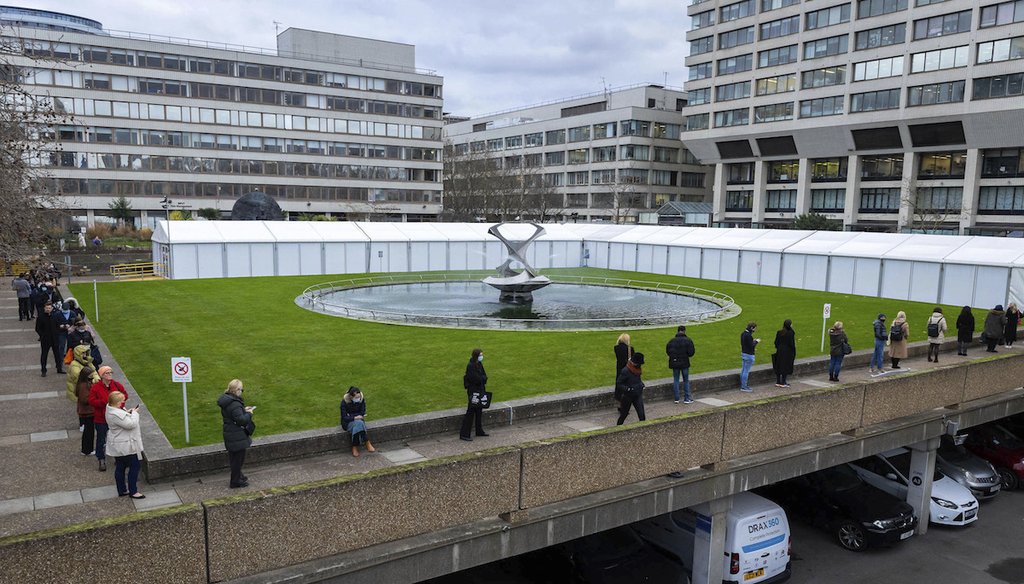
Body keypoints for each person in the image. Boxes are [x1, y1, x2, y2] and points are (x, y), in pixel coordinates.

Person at [105, 391, 145, 499]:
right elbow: (130, 424)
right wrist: (135, 413)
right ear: (117, 403)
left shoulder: (112, 409)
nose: (124, 402)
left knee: (120, 466)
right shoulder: (114, 414)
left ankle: (122, 489)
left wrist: (129, 412)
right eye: (122, 401)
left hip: (120, 444)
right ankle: (133, 491)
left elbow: (124, 418)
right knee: (134, 466)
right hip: (125, 445)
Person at [88, 366, 127, 472]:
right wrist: (104, 403)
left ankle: (117, 457)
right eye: (107, 373)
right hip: (101, 419)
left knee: (116, 438)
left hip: (115, 418)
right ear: (101, 375)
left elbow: (125, 395)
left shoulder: (116, 385)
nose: (110, 374)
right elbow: (91, 401)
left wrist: (118, 404)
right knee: (101, 439)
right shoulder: (96, 387)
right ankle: (101, 459)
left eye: (110, 372)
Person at [218, 379, 255, 488]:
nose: (242, 391)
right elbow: (241, 420)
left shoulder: (227, 401)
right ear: (237, 390)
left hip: (230, 433)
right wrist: (249, 413)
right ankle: (235, 481)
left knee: (234, 458)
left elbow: (234, 415)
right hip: (236, 435)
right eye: (241, 389)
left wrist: (243, 410)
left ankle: (239, 476)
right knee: (238, 459)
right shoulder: (234, 404)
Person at [460, 348, 489, 441]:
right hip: (473, 391)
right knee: (471, 412)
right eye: (480, 355)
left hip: (479, 390)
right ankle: (464, 434)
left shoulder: (478, 364)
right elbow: (477, 379)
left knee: (479, 411)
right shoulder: (471, 366)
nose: (482, 356)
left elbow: (484, 376)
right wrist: (482, 379)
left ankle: (479, 430)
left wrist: (482, 379)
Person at [340, 386, 375, 457]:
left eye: (358, 397)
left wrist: (351, 415)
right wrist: (355, 417)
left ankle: (354, 446)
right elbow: (345, 417)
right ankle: (367, 442)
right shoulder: (344, 402)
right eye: (356, 398)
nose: (358, 399)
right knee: (359, 423)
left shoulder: (361, 400)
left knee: (358, 424)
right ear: (351, 397)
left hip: (359, 420)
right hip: (348, 423)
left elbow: (362, 412)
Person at [665, 325, 696, 404]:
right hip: (684, 362)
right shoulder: (688, 340)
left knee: (676, 380)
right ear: (684, 331)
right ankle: (686, 398)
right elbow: (691, 353)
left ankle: (676, 398)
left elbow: (668, 351)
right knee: (686, 380)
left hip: (675, 363)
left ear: (678, 331)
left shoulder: (671, 341)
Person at [615, 352, 646, 425]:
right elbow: (619, 383)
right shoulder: (625, 371)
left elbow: (637, 379)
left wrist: (641, 384)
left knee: (642, 415)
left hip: (637, 394)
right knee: (624, 414)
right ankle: (618, 428)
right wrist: (627, 389)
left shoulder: (637, 369)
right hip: (628, 396)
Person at [34, 300, 63, 377]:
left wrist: (57, 333)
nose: (48, 309)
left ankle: (59, 368)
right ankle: (43, 370)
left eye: (49, 308)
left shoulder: (55, 316)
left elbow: (58, 325)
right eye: (47, 308)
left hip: (54, 338)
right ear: (44, 308)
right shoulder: (41, 316)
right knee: (44, 355)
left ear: (52, 308)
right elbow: (37, 328)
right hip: (45, 339)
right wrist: (42, 335)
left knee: (57, 354)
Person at [75, 366, 96, 456]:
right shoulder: (84, 385)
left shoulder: (84, 384)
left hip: (87, 411)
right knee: (89, 431)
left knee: (89, 431)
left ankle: (87, 449)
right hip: (87, 412)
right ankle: (87, 450)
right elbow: (85, 399)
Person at [773, 319, 796, 388]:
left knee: (778, 365)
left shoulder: (779, 332)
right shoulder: (790, 333)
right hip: (787, 351)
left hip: (780, 350)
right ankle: (783, 382)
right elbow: (791, 344)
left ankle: (778, 381)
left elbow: (776, 342)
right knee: (785, 366)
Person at [739, 321, 760, 392]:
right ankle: (744, 387)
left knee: (743, 370)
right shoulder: (749, 335)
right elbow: (751, 346)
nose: (754, 330)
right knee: (746, 371)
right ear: (751, 328)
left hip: (743, 353)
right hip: (749, 355)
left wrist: (752, 341)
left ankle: (743, 385)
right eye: (754, 329)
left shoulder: (743, 334)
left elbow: (745, 343)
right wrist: (756, 341)